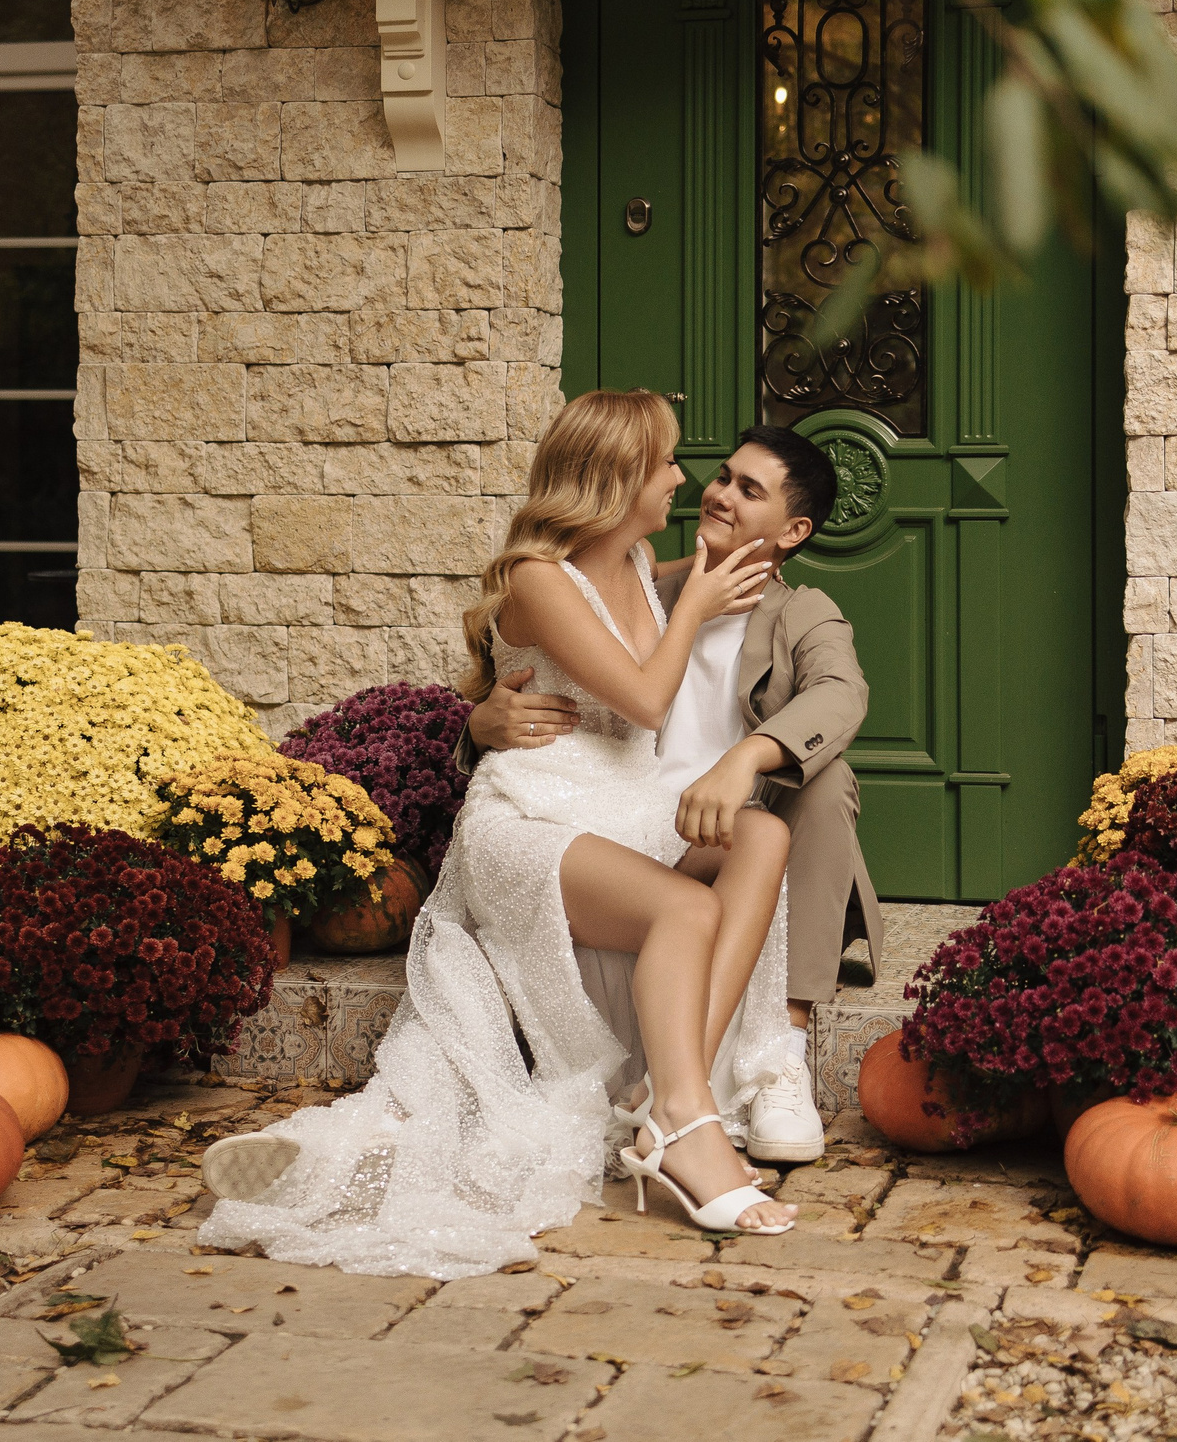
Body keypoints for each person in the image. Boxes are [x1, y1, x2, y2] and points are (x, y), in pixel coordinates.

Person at [196, 389, 801, 1278]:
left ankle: (666, 1098)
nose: (684, 478)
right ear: (620, 475)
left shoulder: (638, 559)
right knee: (683, 911)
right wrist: (490, 715)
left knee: (763, 840)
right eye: (668, 462)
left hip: (620, 812)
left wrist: (745, 558)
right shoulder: (537, 580)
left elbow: (705, 590)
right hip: (532, 824)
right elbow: (643, 697)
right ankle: (685, 1122)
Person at [466, 424, 878, 1164]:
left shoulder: (802, 611)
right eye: (721, 475)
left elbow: (842, 695)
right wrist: (483, 718)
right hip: (615, 818)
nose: (715, 491)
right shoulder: (642, 581)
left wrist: (747, 755)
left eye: (748, 490)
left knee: (826, 778)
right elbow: (533, 658)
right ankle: (679, 1099)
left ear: (793, 530)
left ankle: (777, 1046)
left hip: (717, 827)